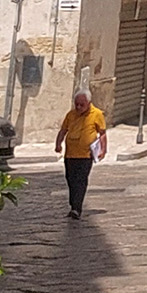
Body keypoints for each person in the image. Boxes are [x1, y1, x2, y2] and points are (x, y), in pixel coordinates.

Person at [54, 88, 107, 218]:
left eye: (81, 105)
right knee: (70, 179)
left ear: (88, 103)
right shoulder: (71, 114)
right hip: (70, 154)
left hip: (85, 155)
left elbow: (102, 133)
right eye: (76, 104)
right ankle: (74, 204)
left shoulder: (97, 114)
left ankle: (76, 208)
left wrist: (103, 150)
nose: (78, 107)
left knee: (81, 181)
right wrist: (58, 144)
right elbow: (63, 130)